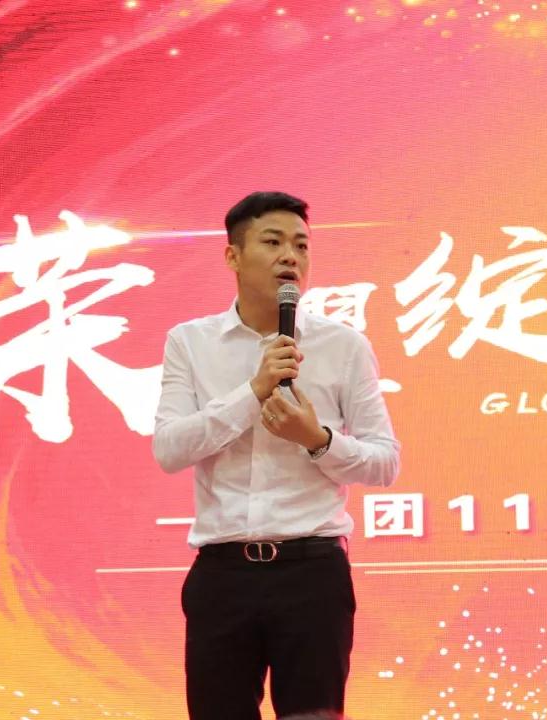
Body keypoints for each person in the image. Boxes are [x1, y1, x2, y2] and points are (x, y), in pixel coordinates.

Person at [153, 191, 401, 720]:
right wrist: (253, 392)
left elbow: (385, 462)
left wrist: (318, 439)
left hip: (312, 574)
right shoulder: (190, 342)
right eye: (273, 242)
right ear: (233, 255)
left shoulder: (344, 346)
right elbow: (170, 449)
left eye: (301, 245)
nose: (291, 256)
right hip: (222, 574)